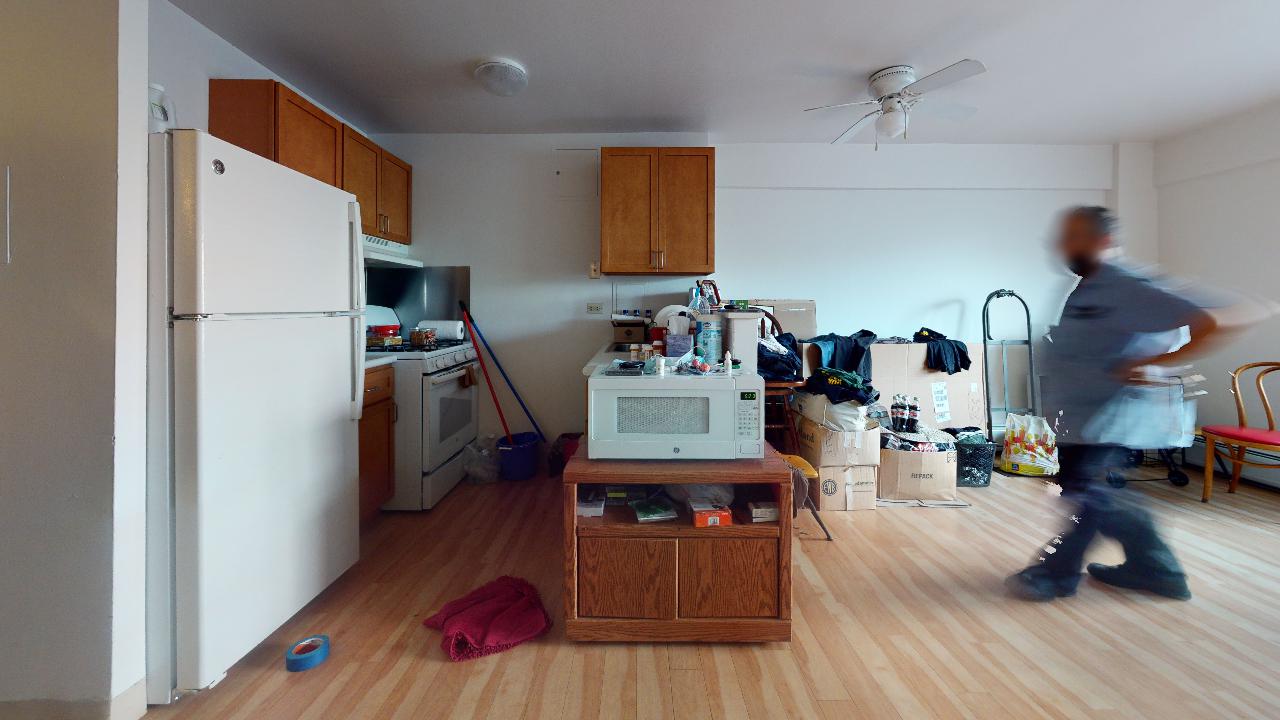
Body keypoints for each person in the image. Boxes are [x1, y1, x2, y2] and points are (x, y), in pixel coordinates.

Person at [1006, 206, 1224, 602]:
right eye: (1063, 236)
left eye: (1074, 236)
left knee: (1088, 496)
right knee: (1098, 495)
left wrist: (1152, 363)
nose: (1063, 245)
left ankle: (1055, 574)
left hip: (1112, 416)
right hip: (1083, 416)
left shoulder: (1125, 285)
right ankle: (1157, 569)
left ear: (1103, 240)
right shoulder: (1089, 286)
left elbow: (1213, 320)